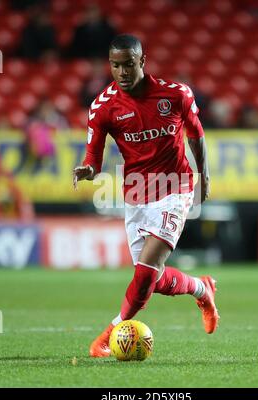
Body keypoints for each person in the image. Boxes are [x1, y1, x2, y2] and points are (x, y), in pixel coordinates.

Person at [73, 34, 219, 358]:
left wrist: (203, 175)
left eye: (128, 64)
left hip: (175, 187)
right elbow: (93, 157)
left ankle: (108, 334)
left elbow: (196, 134)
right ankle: (201, 288)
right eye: (115, 65)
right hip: (137, 193)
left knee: (144, 275)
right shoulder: (103, 107)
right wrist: (88, 169)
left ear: (142, 61)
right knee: (152, 278)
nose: (122, 72)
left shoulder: (175, 95)